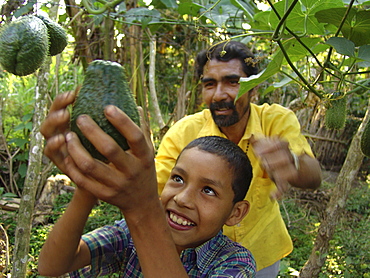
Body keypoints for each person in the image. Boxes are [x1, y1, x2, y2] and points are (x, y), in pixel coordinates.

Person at [37, 94, 256, 277]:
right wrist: (88, 185)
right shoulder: (128, 233)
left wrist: (141, 209)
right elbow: (52, 266)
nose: (182, 199)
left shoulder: (236, 262)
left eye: (208, 190)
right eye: (178, 179)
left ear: (236, 212)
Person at [155, 40, 322, 276]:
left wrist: (292, 164)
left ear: (254, 89)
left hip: (262, 254)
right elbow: (156, 187)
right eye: (210, 84)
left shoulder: (275, 121)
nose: (219, 95)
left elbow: (313, 175)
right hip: (200, 260)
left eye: (233, 82)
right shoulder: (185, 133)